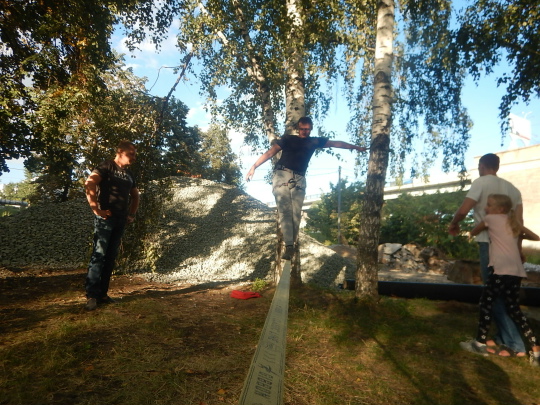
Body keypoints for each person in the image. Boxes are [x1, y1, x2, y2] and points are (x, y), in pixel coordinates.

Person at [245, 116, 367, 260]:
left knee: (296, 213)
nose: (305, 132)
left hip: (300, 178)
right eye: (302, 129)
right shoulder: (288, 139)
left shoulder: (314, 141)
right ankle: (289, 245)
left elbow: (336, 144)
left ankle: (291, 244)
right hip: (282, 175)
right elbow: (270, 152)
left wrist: (356, 147)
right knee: (285, 210)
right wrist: (254, 166)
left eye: (307, 129)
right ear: (298, 128)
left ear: (311, 129)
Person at [448, 153, 527, 357]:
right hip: (510, 248)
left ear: (482, 166)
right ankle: (503, 337)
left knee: (493, 294)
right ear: (497, 167)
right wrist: (519, 250)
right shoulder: (513, 189)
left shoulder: (480, 182)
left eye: (479, 166)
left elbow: (464, 210)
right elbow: (519, 223)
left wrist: (454, 223)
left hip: (490, 244)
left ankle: (515, 343)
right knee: (506, 295)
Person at [459, 194, 540, 366]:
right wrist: (519, 236)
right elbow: (536, 237)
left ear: (500, 209)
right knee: (514, 309)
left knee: (486, 303)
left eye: (489, 205)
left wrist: (468, 232)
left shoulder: (491, 219)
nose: (486, 208)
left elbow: (474, 231)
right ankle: (536, 350)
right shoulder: (513, 223)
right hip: (516, 272)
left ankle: (479, 344)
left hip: (501, 270)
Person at [84, 140, 140, 311]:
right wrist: (96, 209)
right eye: (131, 154)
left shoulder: (129, 174)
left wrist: (131, 214)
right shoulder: (106, 166)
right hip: (105, 219)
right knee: (99, 255)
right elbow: (90, 183)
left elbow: (136, 196)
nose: (134, 158)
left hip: (120, 220)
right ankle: (92, 296)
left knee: (110, 257)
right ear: (120, 152)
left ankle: (103, 294)